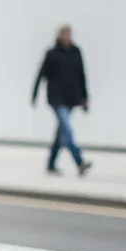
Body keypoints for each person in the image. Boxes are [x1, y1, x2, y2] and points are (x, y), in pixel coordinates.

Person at [31, 24, 93, 176]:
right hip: (56, 98)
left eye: (69, 34)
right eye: (65, 34)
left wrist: (85, 98)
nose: (67, 37)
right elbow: (41, 75)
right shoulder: (52, 54)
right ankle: (80, 162)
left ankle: (51, 164)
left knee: (60, 133)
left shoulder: (76, 52)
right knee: (67, 130)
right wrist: (34, 94)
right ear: (59, 36)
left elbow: (81, 75)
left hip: (71, 98)